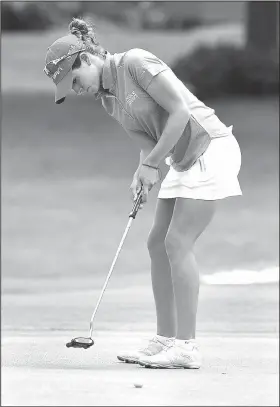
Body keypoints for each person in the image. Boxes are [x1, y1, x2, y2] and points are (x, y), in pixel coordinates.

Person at [44, 18, 242, 369]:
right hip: (182, 160)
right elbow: (149, 144)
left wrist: (151, 165)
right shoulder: (108, 101)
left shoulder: (135, 63)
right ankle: (165, 339)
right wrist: (143, 171)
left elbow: (180, 111)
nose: (75, 90)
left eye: (74, 81)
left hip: (209, 148)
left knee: (177, 243)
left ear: (86, 60)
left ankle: (187, 347)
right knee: (156, 243)